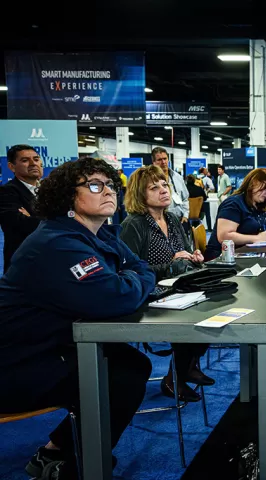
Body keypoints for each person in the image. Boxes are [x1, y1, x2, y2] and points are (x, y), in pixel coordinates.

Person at [0, 157, 155, 479]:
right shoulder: (57, 242)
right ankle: (68, 458)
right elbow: (117, 296)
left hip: (50, 347)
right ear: (67, 196)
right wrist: (133, 278)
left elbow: (140, 269)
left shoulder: (101, 235)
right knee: (121, 374)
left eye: (111, 185)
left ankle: (61, 450)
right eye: (95, 185)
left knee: (129, 365)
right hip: (17, 362)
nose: (108, 192)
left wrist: (132, 277)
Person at [121, 166, 210, 402]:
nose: (163, 190)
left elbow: (184, 252)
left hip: (178, 287)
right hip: (152, 293)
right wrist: (171, 265)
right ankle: (174, 379)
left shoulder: (171, 218)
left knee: (212, 311)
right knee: (190, 321)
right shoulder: (134, 224)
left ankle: (186, 366)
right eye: (154, 187)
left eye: (164, 185)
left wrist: (193, 256)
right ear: (140, 195)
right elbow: (129, 272)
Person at [204, 168, 266, 260]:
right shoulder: (233, 203)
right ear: (254, 182)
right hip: (221, 260)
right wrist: (257, 238)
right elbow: (224, 236)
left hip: (244, 255)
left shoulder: (257, 205)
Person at [0, 145, 43, 272]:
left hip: (50, 260)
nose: (33, 164)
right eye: (25, 160)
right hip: (24, 264)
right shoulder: (6, 192)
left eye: (36, 159)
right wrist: (52, 221)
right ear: (11, 167)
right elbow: (21, 224)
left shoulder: (48, 191)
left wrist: (32, 217)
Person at [151, 147, 189, 224]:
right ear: (153, 162)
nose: (163, 162)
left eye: (165, 158)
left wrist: (185, 215)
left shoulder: (177, 177)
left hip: (179, 220)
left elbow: (185, 198)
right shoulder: (149, 179)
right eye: (159, 160)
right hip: (159, 222)